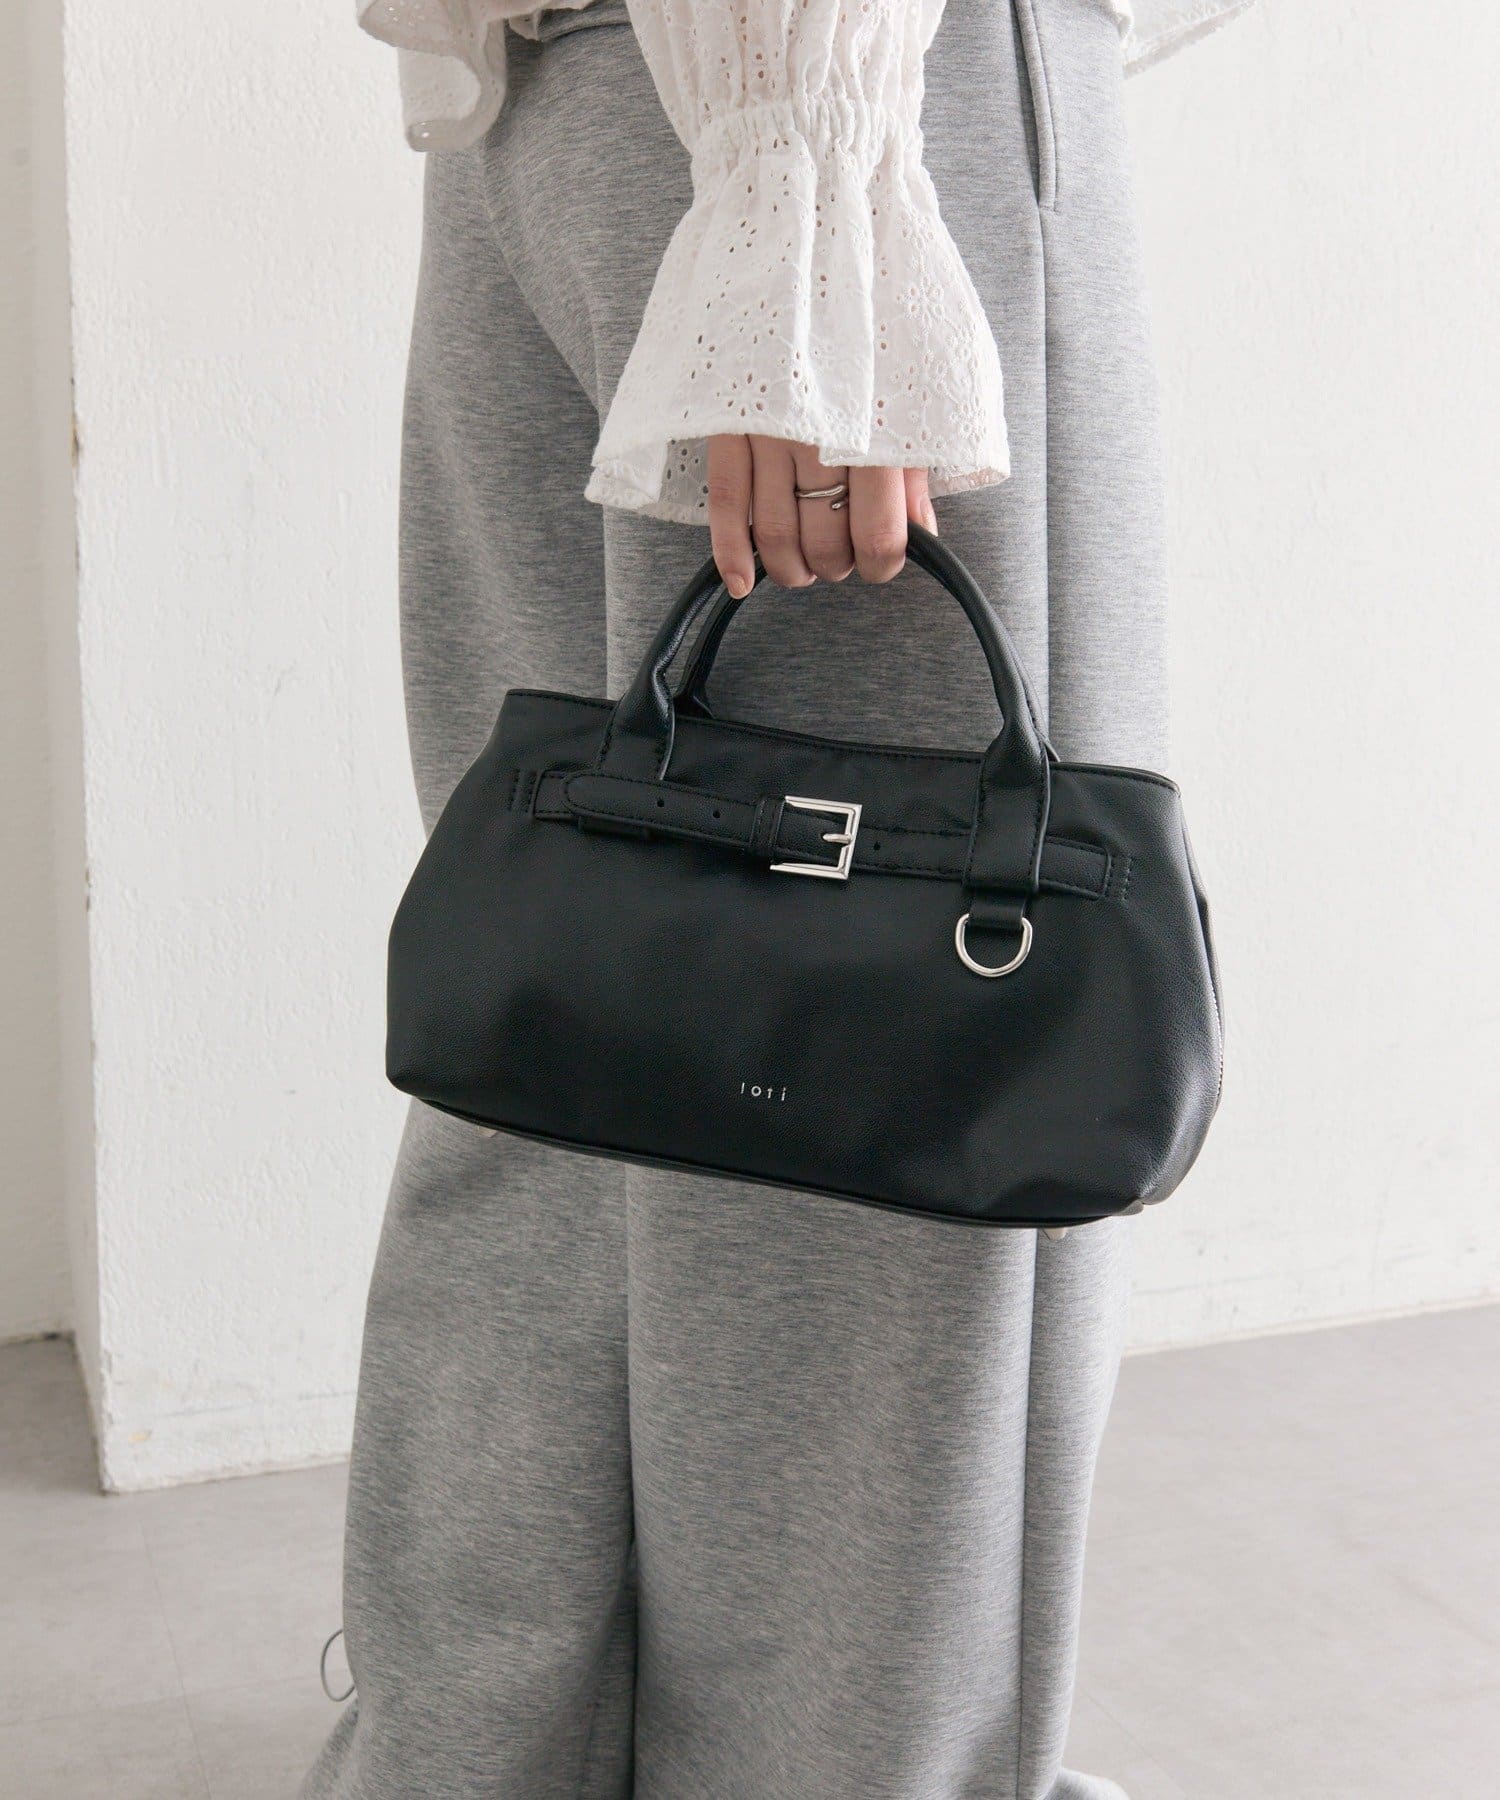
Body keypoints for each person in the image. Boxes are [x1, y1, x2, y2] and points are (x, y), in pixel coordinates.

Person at [306, 2, 1251, 1794]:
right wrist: (808, 177)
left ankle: (474, 1759)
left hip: (550, 100)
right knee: (905, 1102)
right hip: (830, 94)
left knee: (565, 1029)